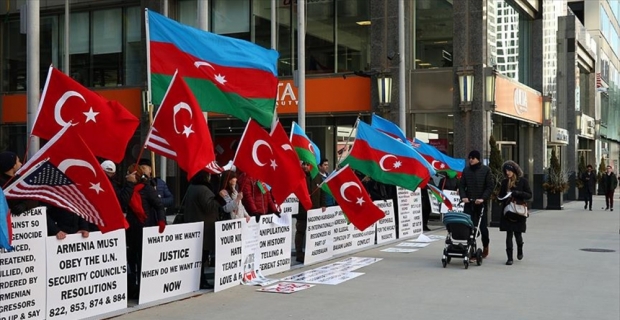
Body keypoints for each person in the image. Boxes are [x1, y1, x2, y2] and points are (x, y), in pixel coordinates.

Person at [118, 163, 166, 298]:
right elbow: (122, 202)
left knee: (143, 261)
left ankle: (145, 288)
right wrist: (129, 185)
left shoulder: (147, 189)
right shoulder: (126, 188)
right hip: (131, 231)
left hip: (145, 229)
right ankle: (133, 288)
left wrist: (161, 221)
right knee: (131, 260)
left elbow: (159, 205)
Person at [184, 170, 222, 289]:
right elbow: (209, 207)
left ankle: (200, 279)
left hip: (195, 224)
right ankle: (200, 280)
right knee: (202, 256)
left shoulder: (192, 187)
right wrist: (220, 198)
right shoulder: (203, 190)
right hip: (204, 227)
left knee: (198, 257)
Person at [458, 150, 493, 258]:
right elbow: (461, 185)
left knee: (482, 228)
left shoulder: (486, 170)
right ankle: (471, 250)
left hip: (481, 204)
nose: (471, 160)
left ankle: (485, 245)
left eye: (473, 158)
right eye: (469, 158)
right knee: (469, 228)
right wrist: (463, 197)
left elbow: (489, 186)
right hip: (469, 203)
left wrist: (483, 198)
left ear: (478, 159)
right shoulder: (466, 170)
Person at [498, 160, 532, 265]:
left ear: (514, 171)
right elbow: (500, 195)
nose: (507, 172)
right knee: (509, 234)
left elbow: (529, 195)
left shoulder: (523, 181)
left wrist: (517, 193)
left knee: (518, 234)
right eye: (506, 170)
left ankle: (520, 249)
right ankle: (509, 258)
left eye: (509, 170)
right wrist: (501, 198)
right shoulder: (504, 182)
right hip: (508, 211)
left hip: (519, 211)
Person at [295, 162, 326, 263]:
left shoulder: (317, 176)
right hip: (302, 211)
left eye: (307, 164)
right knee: (300, 233)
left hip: (314, 211)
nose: (305, 166)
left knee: (312, 233)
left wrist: (323, 204)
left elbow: (322, 191)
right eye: (303, 164)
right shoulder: (298, 176)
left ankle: (311, 253)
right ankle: (299, 254)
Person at [0, 151, 38, 215]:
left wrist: (24, 205)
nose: (20, 164)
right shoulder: (2, 184)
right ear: (13, 165)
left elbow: (35, 197)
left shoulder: (22, 179)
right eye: (18, 161)